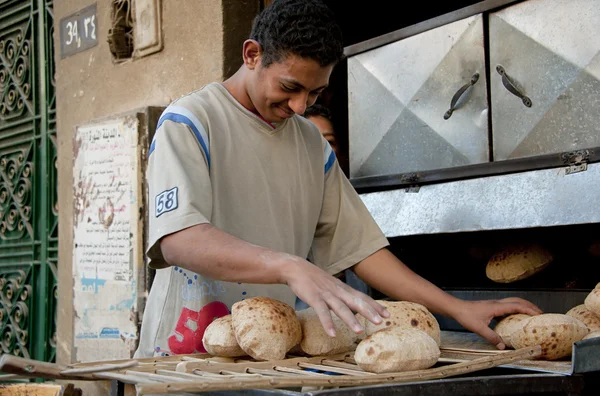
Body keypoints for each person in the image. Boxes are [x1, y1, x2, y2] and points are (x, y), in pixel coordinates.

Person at [135, 0, 541, 361]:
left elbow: (361, 250)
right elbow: (180, 239)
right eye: (290, 87)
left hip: (268, 356)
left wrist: (456, 309)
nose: (299, 106)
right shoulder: (190, 122)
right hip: (185, 358)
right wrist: (290, 266)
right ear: (253, 54)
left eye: (315, 94)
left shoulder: (311, 143)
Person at [300, 103, 371, 307]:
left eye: (329, 142)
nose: (323, 149)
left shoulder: (338, 196)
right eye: (311, 141)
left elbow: (362, 252)